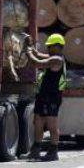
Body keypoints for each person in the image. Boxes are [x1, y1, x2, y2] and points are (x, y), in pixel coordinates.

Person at [25, 33, 67, 161]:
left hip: (53, 97)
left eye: (50, 46)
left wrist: (28, 52)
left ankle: (53, 151)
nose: (48, 49)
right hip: (43, 96)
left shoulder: (57, 60)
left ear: (58, 47)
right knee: (37, 123)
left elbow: (37, 62)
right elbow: (38, 55)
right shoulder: (52, 56)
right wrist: (31, 47)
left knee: (51, 125)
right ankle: (36, 149)